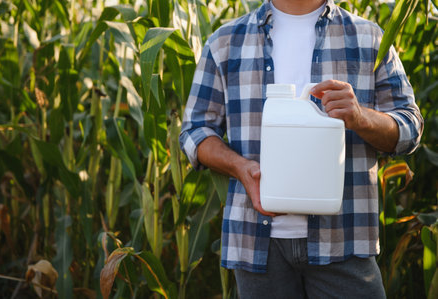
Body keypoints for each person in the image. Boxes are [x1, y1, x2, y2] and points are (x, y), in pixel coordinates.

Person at [179, 0, 423, 297]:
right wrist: (241, 169)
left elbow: (410, 128)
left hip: (344, 239)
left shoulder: (368, 38)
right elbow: (195, 131)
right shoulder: (225, 42)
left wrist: (361, 117)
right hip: (256, 244)